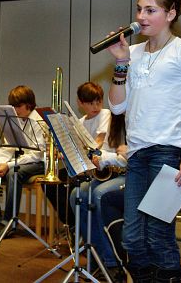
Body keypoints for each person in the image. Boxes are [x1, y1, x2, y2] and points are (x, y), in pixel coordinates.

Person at [107, 0, 181, 283]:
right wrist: (121, 63)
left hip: (169, 152)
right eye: (139, 9)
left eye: (150, 10)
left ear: (171, 13)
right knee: (132, 240)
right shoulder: (133, 52)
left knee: (157, 234)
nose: (141, 16)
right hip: (137, 154)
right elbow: (117, 107)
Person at [72, 82, 128, 282]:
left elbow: (99, 143)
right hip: (104, 169)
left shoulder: (107, 115)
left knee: (97, 195)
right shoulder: (80, 122)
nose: (96, 106)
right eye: (90, 103)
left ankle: (112, 262)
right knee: (77, 195)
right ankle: (97, 254)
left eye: (99, 102)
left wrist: (92, 154)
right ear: (81, 103)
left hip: (119, 171)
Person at [0, 85, 45, 236]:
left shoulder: (39, 121)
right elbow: (8, 147)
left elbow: (38, 154)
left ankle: (9, 222)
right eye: (13, 106)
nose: (15, 110)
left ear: (29, 104)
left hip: (39, 163)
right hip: (20, 162)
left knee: (13, 173)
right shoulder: (14, 120)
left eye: (18, 106)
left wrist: (8, 165)